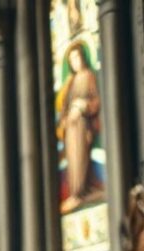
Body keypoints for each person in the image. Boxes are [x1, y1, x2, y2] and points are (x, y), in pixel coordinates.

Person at [56, 41, 102, 213]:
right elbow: (64, 107)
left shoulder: (89, 76)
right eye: (72, 59)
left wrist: (83, 106)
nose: (75, 61)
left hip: (83, 126)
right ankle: (75, 193)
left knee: (82, 158)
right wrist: (66, 119)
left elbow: (95, 101)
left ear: (83, 57)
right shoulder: (70, 82)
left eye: (77, 57)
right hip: (71, 129)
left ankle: (83, 191)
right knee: (73, 161)